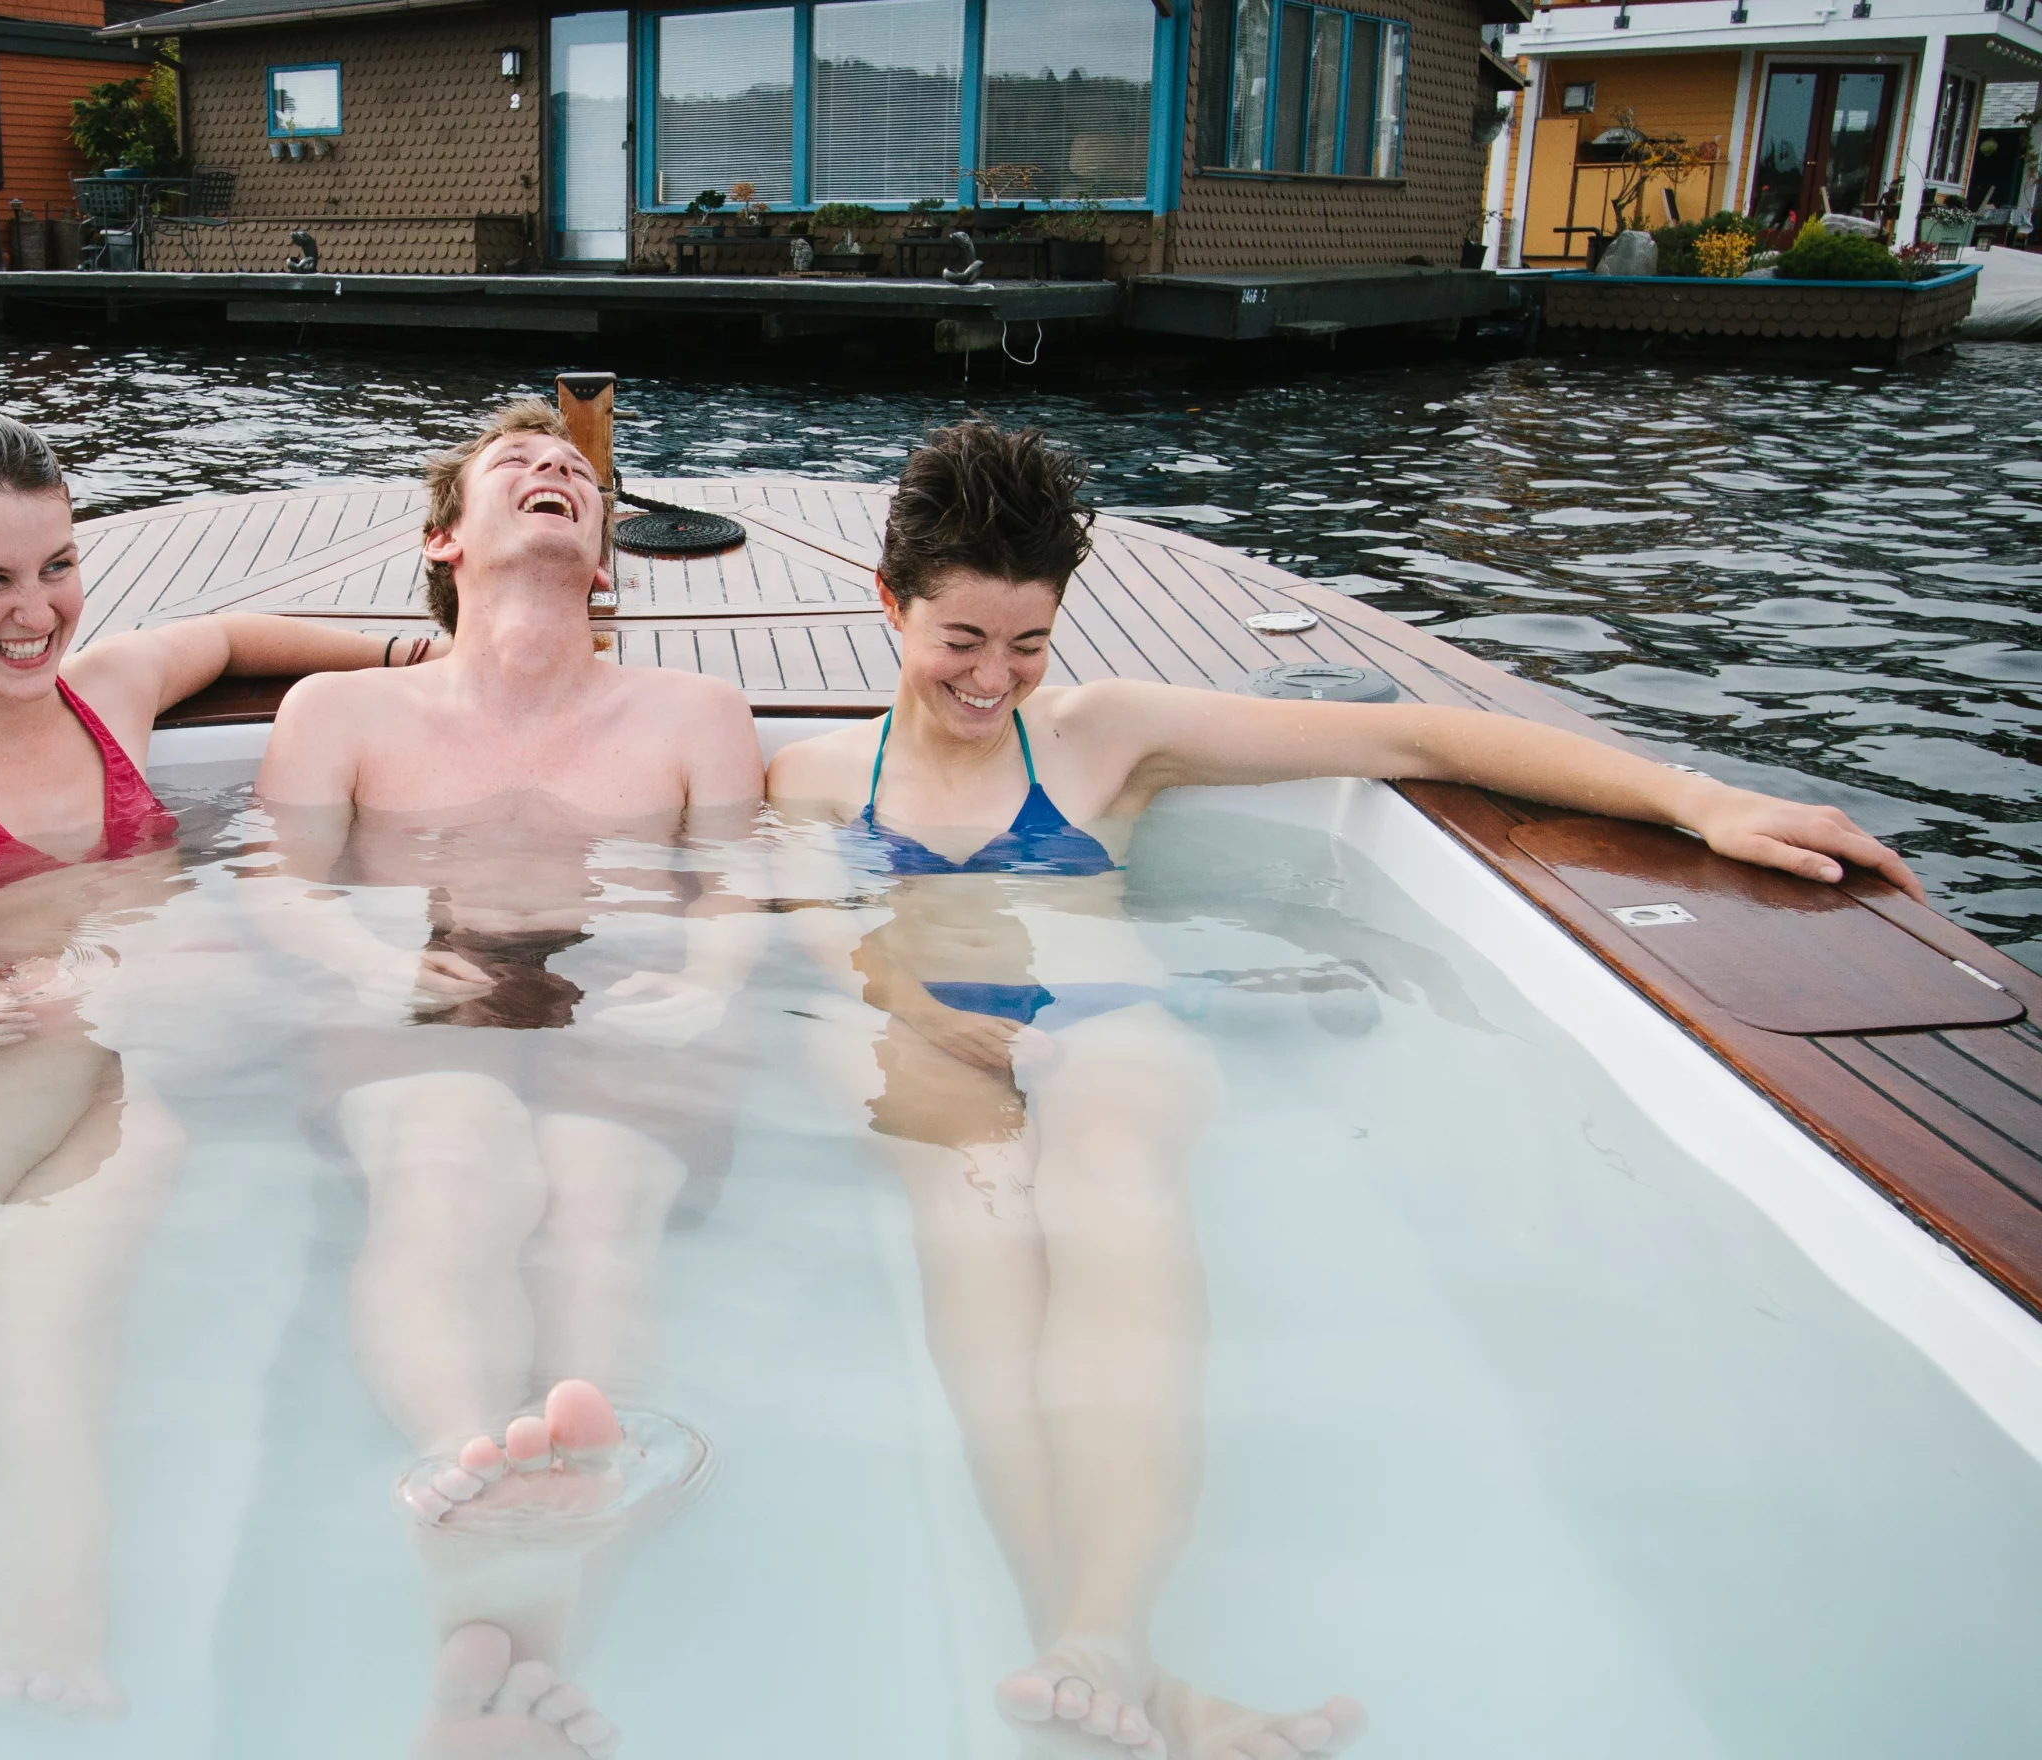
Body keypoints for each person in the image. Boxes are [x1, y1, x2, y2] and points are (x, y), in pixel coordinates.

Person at [767, 418, 1918, 1760]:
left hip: (1102, 1026)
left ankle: (1106, 1633)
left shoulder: (1100, 734)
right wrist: (940, 1045)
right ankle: (1106, 1661)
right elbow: (824, 955)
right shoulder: (814, 777)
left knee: (1116, 1174)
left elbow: (1414, 739)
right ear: (888, 601)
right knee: (972, 1221)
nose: (994, 678)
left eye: (1029, 643)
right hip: (931, 1036)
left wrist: (1695, 799)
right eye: (961, 639)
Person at [0, 407, 429, 1717]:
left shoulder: (108, 700)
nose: (37, 610)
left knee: (95, 1046)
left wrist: (415, 650)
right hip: (47, 1076)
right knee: (114, 1132)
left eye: (57, 565)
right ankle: (43, 1557)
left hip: (176, 1028)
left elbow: (230, 639)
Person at [251, 396, 766, 1758]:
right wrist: (371, 974)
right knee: (451, 1160)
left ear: (601, 557)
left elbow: (742, 889)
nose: (554, 470)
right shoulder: (342, 707)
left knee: (599, 1208)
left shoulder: (697, 710)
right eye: (516, 464)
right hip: (425, 981)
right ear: (445, 539)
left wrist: (706, 983)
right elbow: (274, 890)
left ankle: (495, 1604)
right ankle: (477, 1471)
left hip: (632, 990)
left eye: (574, 474)